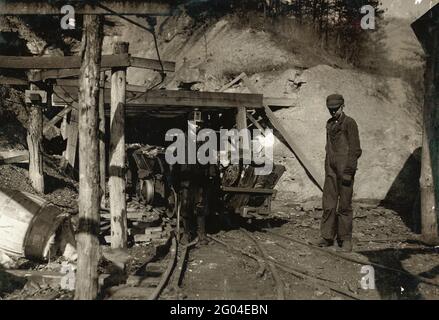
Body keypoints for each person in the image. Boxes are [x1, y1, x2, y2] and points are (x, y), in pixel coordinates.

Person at [315, 94, 362, 252]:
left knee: (344, 205)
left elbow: (355, 149)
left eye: (335, 109)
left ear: (343, 106)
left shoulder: (350, 123)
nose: (333, 112)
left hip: (345, 169)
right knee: (328, 203)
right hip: (331, 169)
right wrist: (328, 167)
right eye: (330, 110)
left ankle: (345, 239)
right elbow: (328, 147)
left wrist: (349, 170)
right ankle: (327, 236)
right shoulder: (329, 124)